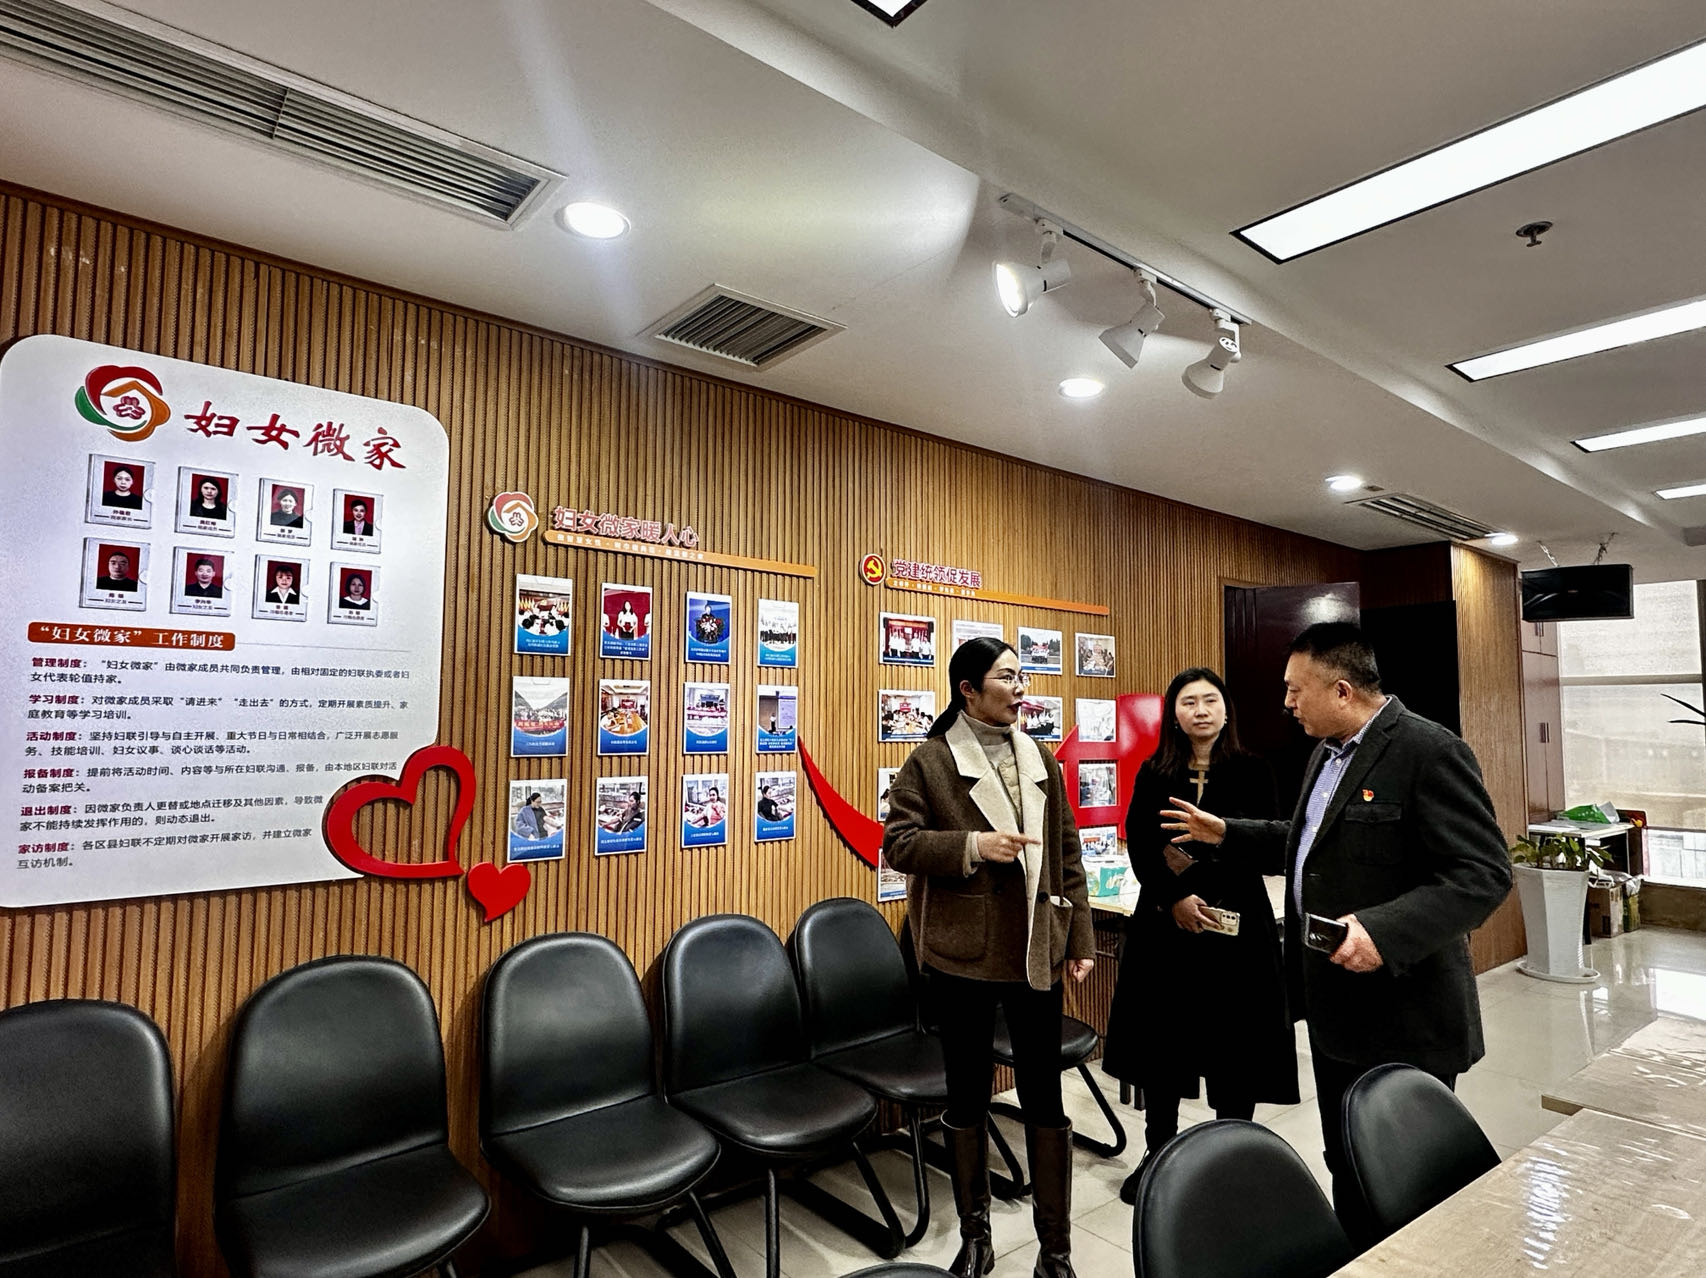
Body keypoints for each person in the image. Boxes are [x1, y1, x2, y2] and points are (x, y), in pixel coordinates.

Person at [1161, 622, 1511, 1241]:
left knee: (1405, 1177)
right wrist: (1229, 832)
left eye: (1296, 690)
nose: (1286, 703)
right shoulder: (1325, 754)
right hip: (1334, 1010)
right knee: (1346, 1162)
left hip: (1402, 1012)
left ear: (1342, 690)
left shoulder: (1429, 751)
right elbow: (1308, 846)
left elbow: (1482, 874)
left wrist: (1381, 931)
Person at [883, 636, 1094, 1278]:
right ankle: (976, 1238)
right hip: (963, 957)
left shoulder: (1039, 757)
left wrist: (1080, 940)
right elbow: (899, 844)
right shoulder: (930, 761)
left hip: (1035, 948)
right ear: (968, 690)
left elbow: (1067, 853)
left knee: (1045, 1098)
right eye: (1008, 677)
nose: (1022, 688)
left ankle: (1056, 1253)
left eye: (1022, 675)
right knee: (968, 1095)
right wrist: (973, 845)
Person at [1101, 667, 1296, 1204]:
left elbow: (1269, 845)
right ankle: (1158, 1153)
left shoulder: (1255, 770)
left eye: (1210, 700)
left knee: (1235, 1045)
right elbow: (1141, 842)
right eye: (1189, 702)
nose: (1201, 710)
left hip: (1237, 928)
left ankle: (1230, 1153)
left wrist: (1216, 859)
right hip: (1166, 928)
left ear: (1226, 710)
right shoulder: (1154, 771)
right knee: (1162, 1046)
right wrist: (1175, 899)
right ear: (1174, 714)